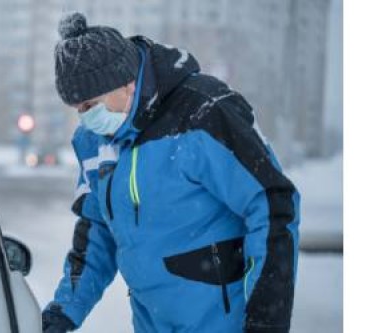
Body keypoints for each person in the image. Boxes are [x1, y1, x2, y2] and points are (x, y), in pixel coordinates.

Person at [41, 12, 301, 333]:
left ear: (126, 82)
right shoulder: (92, 142)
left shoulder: (204, 113)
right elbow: (98, 232)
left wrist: (266, 318)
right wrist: (64, 311)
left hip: (222, 320)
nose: (85, 118)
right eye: (76, 109)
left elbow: (273, 204)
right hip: (152, 321)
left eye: (90, 104)